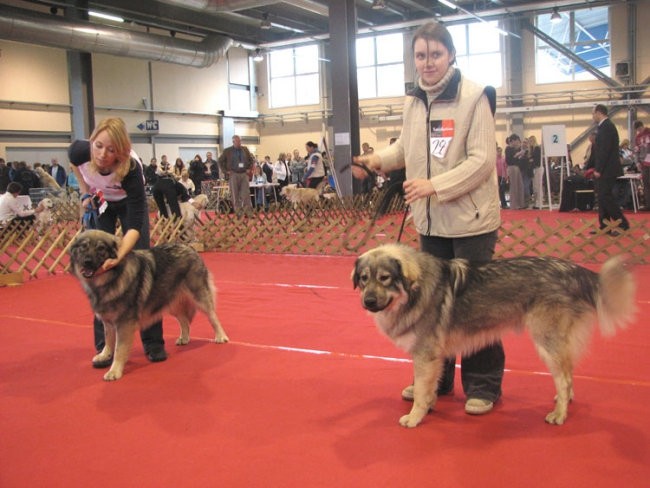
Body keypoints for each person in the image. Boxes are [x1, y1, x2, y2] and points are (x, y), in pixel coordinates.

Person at [353, 21, 504, 416]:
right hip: (430, 221)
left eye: (435, 54)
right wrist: (378, 160)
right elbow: (407, 146)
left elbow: (483, 160)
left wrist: (435, 186)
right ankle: (436, 380)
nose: (428, 62)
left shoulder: (475, 97)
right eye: (421, 55)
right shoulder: (413, 100)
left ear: (451, 55)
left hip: (470, 220)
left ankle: (484, 385)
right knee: (432, 309)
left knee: (477, 308)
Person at [68, 117, 167, 366]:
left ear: (121, 151)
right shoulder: (80, 150)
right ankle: (105, 347)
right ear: (91, 142)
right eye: (98, 146)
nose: (102, 154)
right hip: (102, 202)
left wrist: (120, 256)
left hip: (128, 204)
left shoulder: (131, 170)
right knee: (96, 268)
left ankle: (153, 342)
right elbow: (73, 164)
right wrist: (84, 191)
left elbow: (133, 226)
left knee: (143, 265)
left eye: (111, 150)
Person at [590, 104, 629, 234]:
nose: (592, 116)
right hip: (606, 169)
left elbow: (604, 151)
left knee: (605, 197)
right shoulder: (603, 127)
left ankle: (622, 223)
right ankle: (604, 225)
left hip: (607, 169)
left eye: (593, 113)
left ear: (599, 113)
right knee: (602, 197)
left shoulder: (606, 127)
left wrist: (598, 169)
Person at [218, 135, 255, 216]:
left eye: (240, 141)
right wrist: (226, 171)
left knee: (246, 194)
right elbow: (220, 161)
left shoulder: (245, 149)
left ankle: (248, 213)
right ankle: (239, 213)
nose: (239, 143)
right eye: (237, 141)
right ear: (233, 142)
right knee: (235, 195)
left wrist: (249, 168)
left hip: (244, 174)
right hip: (233, 174)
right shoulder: (227, 151)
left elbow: (251, 160)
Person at [505, 134, 525, 209]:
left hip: (517, 167)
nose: (517, 143)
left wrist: (520, 155)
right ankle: (514, 204)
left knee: (520, 185)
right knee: (514, 186)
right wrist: (517, 155)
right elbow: (508, 160)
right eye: (516, 141)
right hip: (512, 167)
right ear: (512, 141)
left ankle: (520, 203)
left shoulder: (514, 149)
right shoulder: (508, 149)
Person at [633, 120, 650, 210]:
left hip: (648, 161)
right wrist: (637, 162)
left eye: (640, 128)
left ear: (642, 126)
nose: (639, 131)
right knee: (646, 184)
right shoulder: (637, 138)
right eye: (638, 129)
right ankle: (648, 205)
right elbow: (636, 151)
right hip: (643, 164)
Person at [529, 135, 543, 209]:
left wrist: (532, 160)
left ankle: (539, 203)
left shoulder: (537, 148)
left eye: (531, 141)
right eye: (529, 141)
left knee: (538, 186)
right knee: (535, 187)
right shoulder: (532, 149)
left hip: (538, 168)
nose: (530, 142)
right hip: (535, 169)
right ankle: (536, 203)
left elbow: (537, 159)